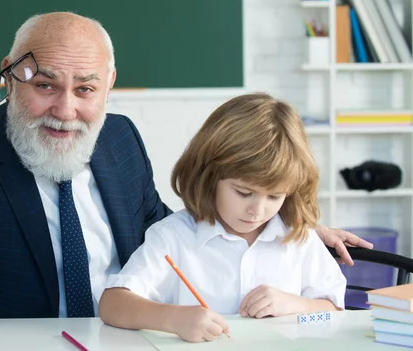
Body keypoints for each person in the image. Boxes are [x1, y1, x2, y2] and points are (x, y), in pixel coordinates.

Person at [0, 12, 370, 323]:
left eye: (85, 89)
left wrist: (281, 224)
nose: (65, 110)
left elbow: (167, 230)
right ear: (9, 75)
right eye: (45, 85)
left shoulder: (119, 137)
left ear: (109, 85)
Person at [99, 93, 346, 343]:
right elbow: (112, 304)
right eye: (243, 192)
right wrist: (174, 319)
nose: (257, 211)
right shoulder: (174, 236)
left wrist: (296, 305)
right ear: (209, 176)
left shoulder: (299, 238)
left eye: (274, 196)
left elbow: (335, 312)